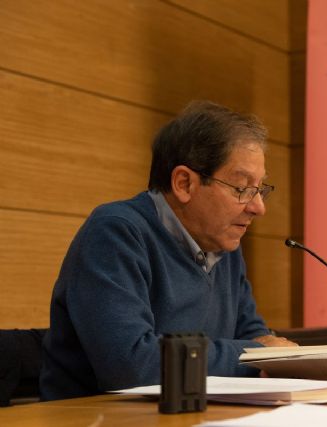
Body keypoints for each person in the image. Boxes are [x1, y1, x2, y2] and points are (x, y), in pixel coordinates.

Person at [40, 101, 296, 401]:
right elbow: (132, 367)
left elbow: (255, 338)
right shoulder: (115, 233)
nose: (258, 208)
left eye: (260, 189)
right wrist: (257, 354)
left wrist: (269, 355)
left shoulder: (224, 246)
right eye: (242, 189)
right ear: (184, 183)